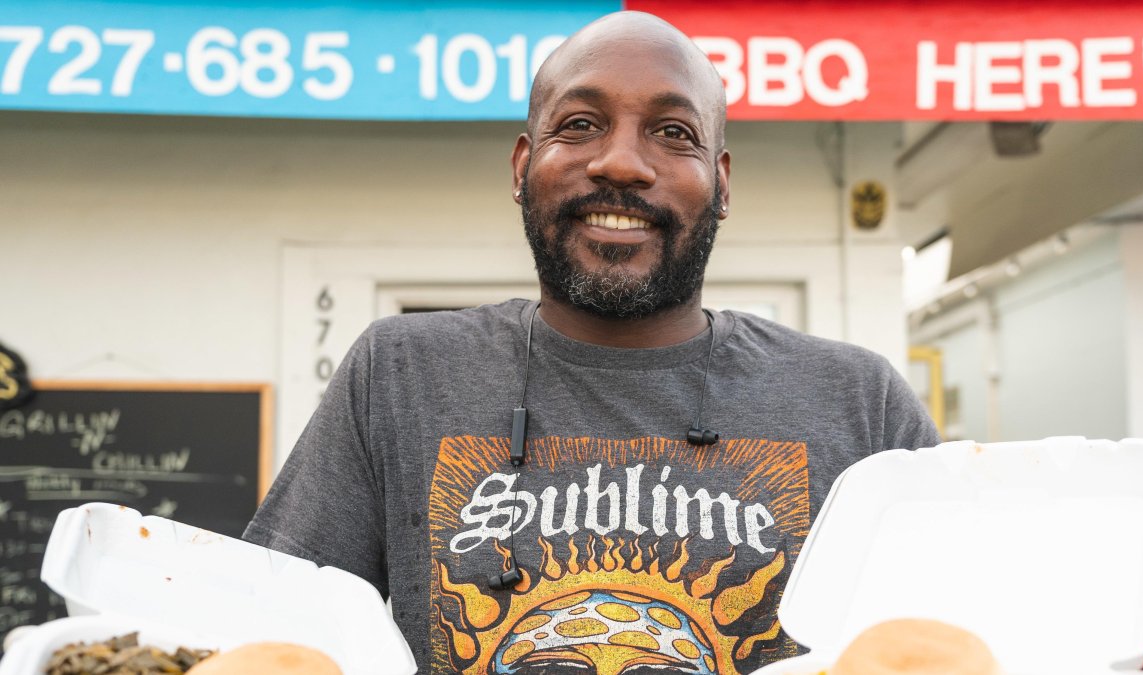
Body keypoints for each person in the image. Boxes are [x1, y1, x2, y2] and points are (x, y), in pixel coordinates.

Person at [245, 11, 939, 674]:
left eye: (672, 132)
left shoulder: (859, 403)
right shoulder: (398, 374)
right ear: (522, 168)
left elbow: (957, 637)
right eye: (579, 124)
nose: (620, 163)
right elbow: (273, 639)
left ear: (721, 183)